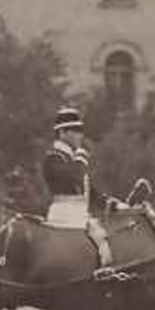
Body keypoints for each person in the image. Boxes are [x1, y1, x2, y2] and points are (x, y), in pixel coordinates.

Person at [41, 106, 113, 266]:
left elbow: (88, 189)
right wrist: (80, 159)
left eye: (80, 130)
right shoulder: (53, 158)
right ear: (62, 133)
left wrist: (110, 203)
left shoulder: (73, 159)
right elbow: (73, 178)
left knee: (106, 242)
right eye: (75, 131)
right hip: (64, 216)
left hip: (81, 216)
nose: (80, 135)